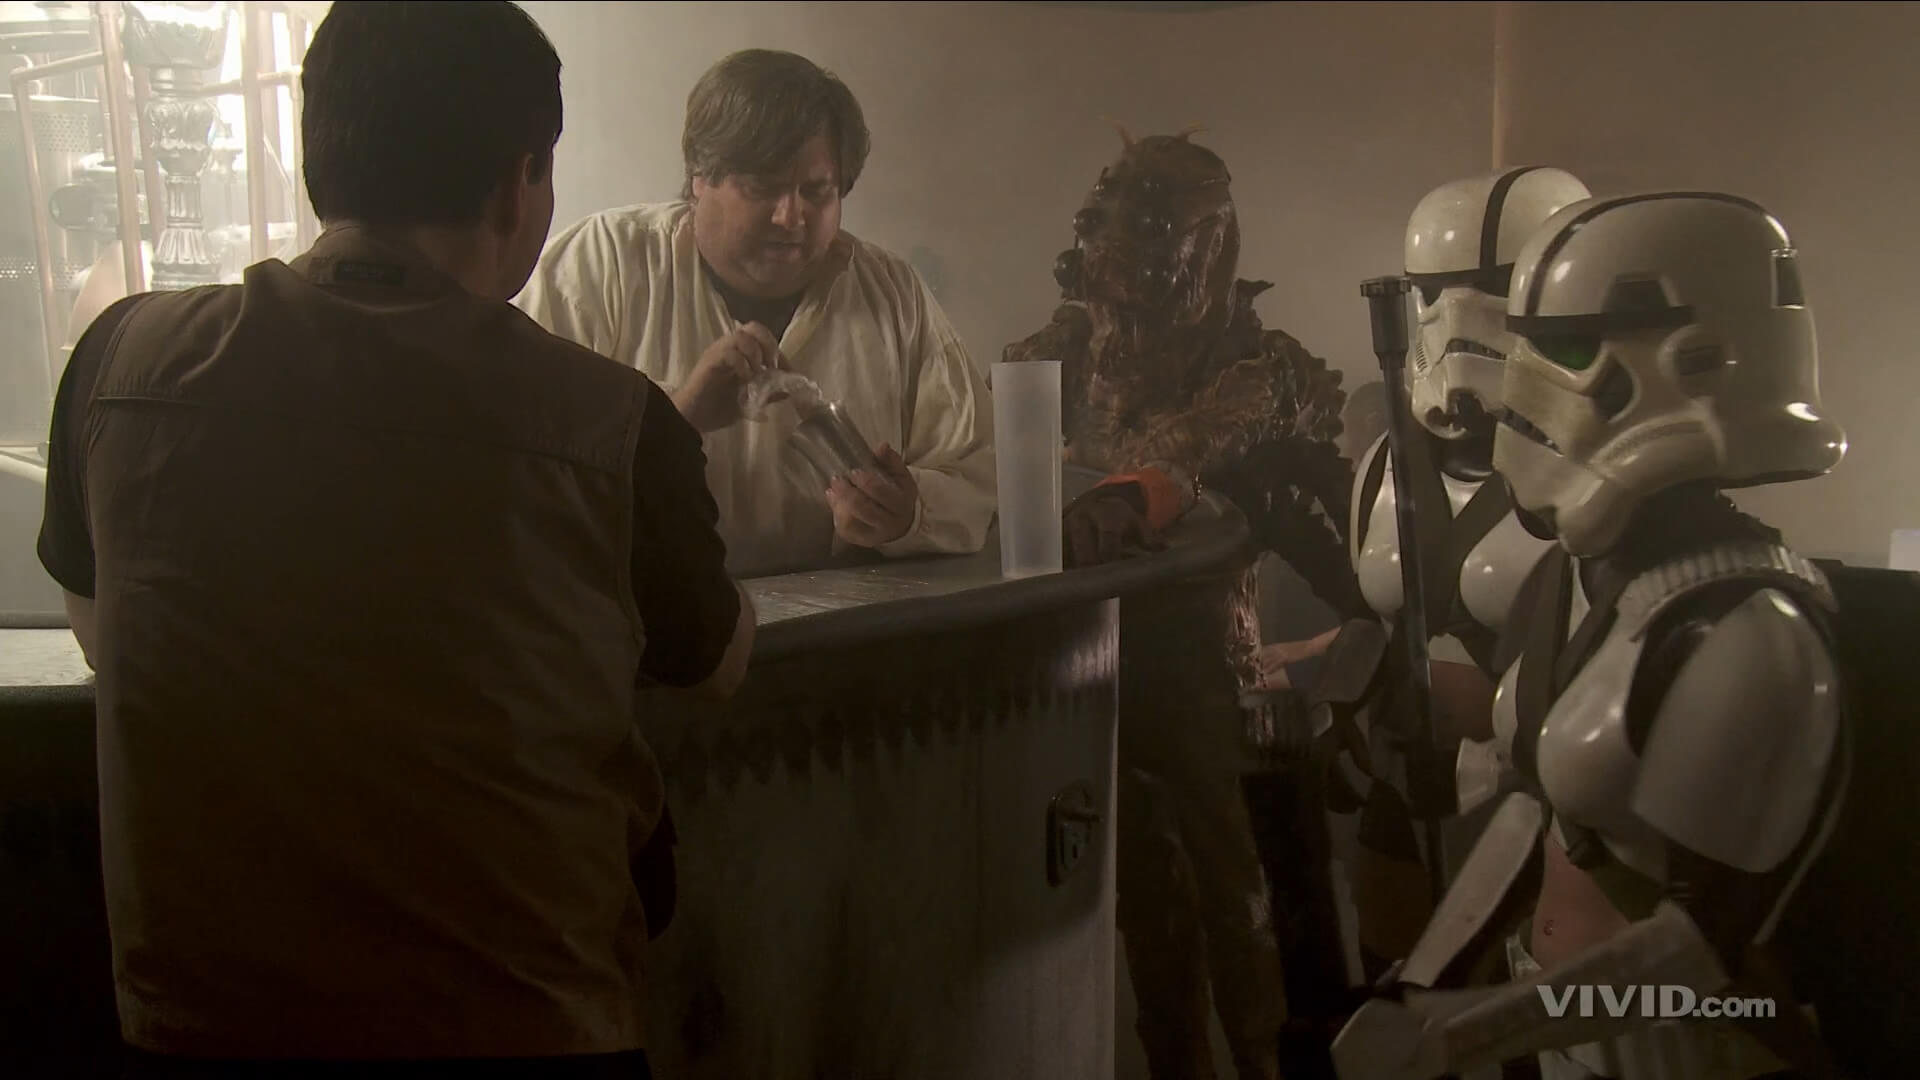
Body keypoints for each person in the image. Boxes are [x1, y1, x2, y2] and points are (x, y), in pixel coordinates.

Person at [35, 3, 752, 1074]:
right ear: (520, 182)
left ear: (318, 155)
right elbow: (714, 663)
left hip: (203, 1024)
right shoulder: (611, 424)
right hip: (526, 1020)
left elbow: (103, 634)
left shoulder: (118, 365)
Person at [1332, 192, 1852, 1080]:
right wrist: (1423, 985)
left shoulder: (1755, 633)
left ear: (1698, 360)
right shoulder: (1575, 579)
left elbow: (1703, 953)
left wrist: (1465, 1031)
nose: (1517, 379)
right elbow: (1539, 811)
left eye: (1566, 348)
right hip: (1554, 1039)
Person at [515, 48, 995, 579]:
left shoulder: (893, 294)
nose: (791, 217)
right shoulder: (599, 266)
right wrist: (675, 420)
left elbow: (979, 475)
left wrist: (908, 516)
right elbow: (512, 473)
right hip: (646, 616)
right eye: (763, 188)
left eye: (817, 192)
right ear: (699, 177)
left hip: (850, 616)